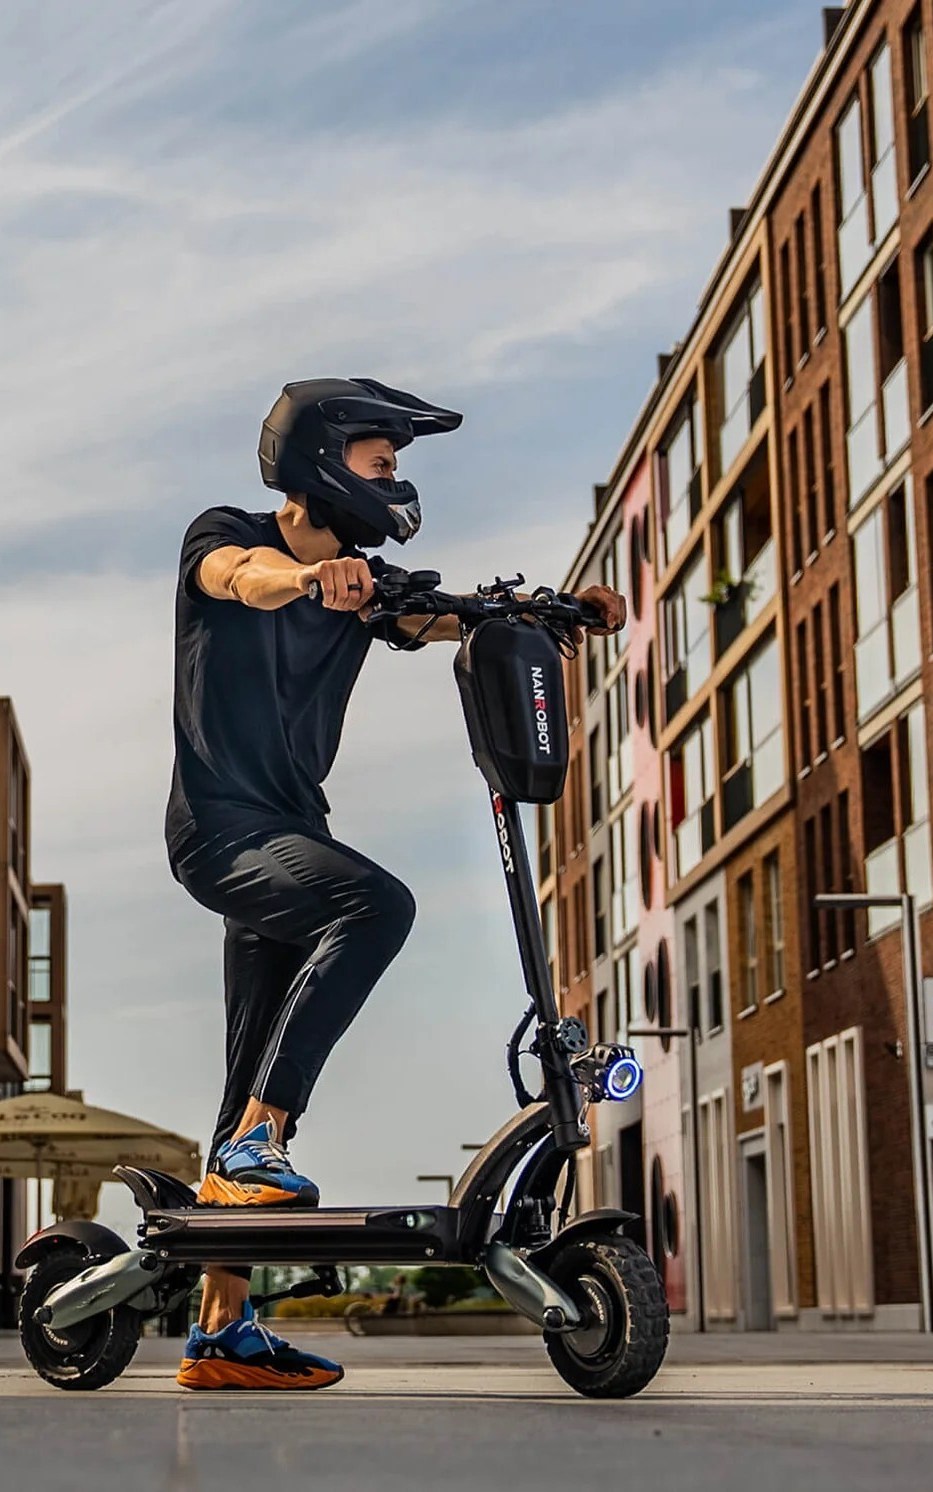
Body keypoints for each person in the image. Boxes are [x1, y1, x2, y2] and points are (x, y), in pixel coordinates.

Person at [166, 378, 626, 1391]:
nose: (395, 482)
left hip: (291, 837)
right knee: (378, 904)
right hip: (220, 835)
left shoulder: (364, 582)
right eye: (383, 465)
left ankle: (219, 1334)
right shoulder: (231, 533)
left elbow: (435, 618)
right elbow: (237, 576)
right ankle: (259, 1143)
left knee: (248, 1071)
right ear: (324, 464)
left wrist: (544, 609)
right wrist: (305, 583)